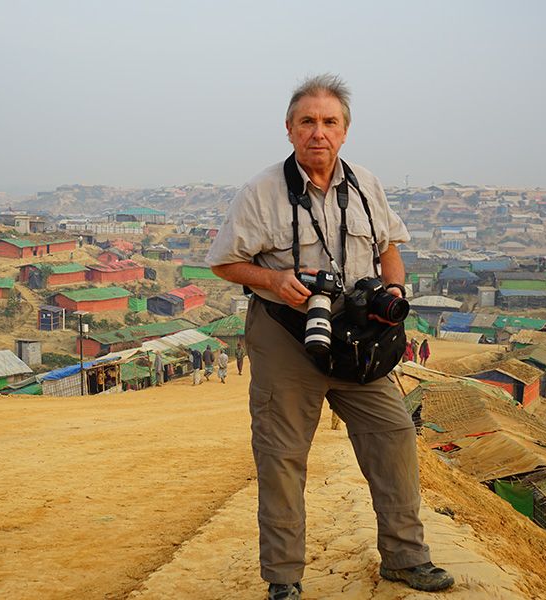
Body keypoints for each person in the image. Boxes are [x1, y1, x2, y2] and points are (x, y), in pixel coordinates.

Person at [207, 75, 453, 599]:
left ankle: (405, 559)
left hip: (359, 335)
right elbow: (225, 262)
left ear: (345, 132)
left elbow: (388, 245)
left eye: (329, 122)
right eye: (307, 122)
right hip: (286, 333)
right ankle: (284, 579)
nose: (319, 132)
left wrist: (393, 290)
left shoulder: (365, 183)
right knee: (282, 455)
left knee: (393, 436)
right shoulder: (261, 191)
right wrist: (275, 280)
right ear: (290, 130)